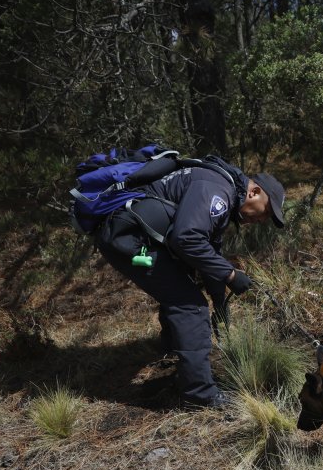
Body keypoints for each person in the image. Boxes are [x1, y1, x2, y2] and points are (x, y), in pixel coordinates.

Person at [95, 157, 286, 409]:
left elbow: (208, 253)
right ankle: (200, 395)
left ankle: (174, 359)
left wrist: (219, 302)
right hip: (129, 236)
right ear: (255, 191)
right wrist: (231, 275)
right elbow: (186, 239)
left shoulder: (222, 191)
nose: (261, 220)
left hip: (133, 233)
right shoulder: (217, 191)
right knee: (190, 306)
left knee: (182, 293)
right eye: (267, 212)